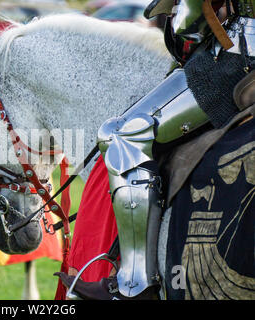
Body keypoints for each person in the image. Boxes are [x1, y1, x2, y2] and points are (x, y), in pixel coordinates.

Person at [76, 0, 254, 299]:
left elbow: (192, 19)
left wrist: (182, 25)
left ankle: (133, 284)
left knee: (124, 135)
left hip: (240, 54)